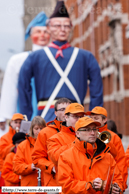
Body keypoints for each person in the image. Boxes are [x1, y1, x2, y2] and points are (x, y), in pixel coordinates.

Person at [18, 1, 103, 123]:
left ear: (70, 27)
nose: (62, 29)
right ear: (48, 28)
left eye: (66, 26)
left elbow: (97, 90)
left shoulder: (86, 57)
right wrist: (26, 117)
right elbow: (23, 85)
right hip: (46, 121)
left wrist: (94, 119)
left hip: (76, 121)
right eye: (57, 25)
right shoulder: (35, 57)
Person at [0, 12, 50, 120]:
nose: (42, 35)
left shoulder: (56, 58)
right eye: (38, 31)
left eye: (46, 32)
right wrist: (4, 116)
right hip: (27, 114)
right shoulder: (18, 60)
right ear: (30, 34)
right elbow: (10, 88)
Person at [58, 117, 123, 194]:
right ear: (77, 133)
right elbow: (65, 186)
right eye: (87, 129)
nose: (92, 133)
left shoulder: (108, 157)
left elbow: (118, 180)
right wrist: (89, 186)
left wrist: (117, 189)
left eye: (94, 129)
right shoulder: (65, 156)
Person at [86, 106, 128, 190]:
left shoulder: (114, 137)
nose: (93, 120)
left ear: (104, 120)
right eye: (92, 118)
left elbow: (121, 163)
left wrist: (120, 187)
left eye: (96, 118)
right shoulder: (85, 135)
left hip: (108, 184)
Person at [32, 98, 71, 187]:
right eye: (62, 109)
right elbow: (37, 158)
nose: (66, 112)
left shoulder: (79, 130)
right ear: (56, 113)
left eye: (68, 109)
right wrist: (51, 167)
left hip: (74, 182)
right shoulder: (45, 132)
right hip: (54, 182)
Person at [47, 103, 85, 181]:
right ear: (66, 117)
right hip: (68, 183)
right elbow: (56, 158)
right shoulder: (54, 139)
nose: (79, 119)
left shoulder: (90, 135)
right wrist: (78, 142)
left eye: (81, 117)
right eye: (75, 117)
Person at [13, 116, 46, 187]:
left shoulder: (50, 144)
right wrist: (30, 167)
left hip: (46, 187)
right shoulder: (23, 146)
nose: (39, 131)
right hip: (29, 188)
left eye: (41, 128)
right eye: (36, 129)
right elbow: (16, 167)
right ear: (32, 129)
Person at [0, 113, 24, 190]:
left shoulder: (26, 136)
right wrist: (15, 144)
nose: (18, 125)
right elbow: (2, 154)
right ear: (11, 123)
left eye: (20, 122)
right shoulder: (4, 138)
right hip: (10, 174)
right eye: (16, 122)